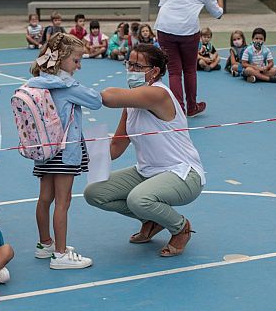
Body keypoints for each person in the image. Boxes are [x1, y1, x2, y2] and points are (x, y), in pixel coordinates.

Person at [84, 44, 204, 257]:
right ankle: (151, 219)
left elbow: (110, 97)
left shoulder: (158, 94)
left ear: (155, 71)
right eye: (129, 64)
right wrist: (81, 158)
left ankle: (180, 227)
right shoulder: (131, 103)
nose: (131, 69)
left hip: (183, 173)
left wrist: (76, 94)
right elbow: (116, 146)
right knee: (94, 193)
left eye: (137, 66)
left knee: (138, 199)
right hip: (147, 172)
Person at [27, 33, 102, 269]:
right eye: (76, 60)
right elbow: (96, 100)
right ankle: (60, 255)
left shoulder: (37, 82)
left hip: (44, 149)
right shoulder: (67, 85)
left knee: (45, 198)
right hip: (63, 151)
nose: (78, 66)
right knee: (63, 201)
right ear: (61, 59)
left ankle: (45, 244)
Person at [154, 0, 225, 117]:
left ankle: (178, 109)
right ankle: (191, 107)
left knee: (174, 72)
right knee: (189, 70)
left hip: (164, 28)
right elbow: (218, 14)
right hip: (187, 31)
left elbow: (163, 3)